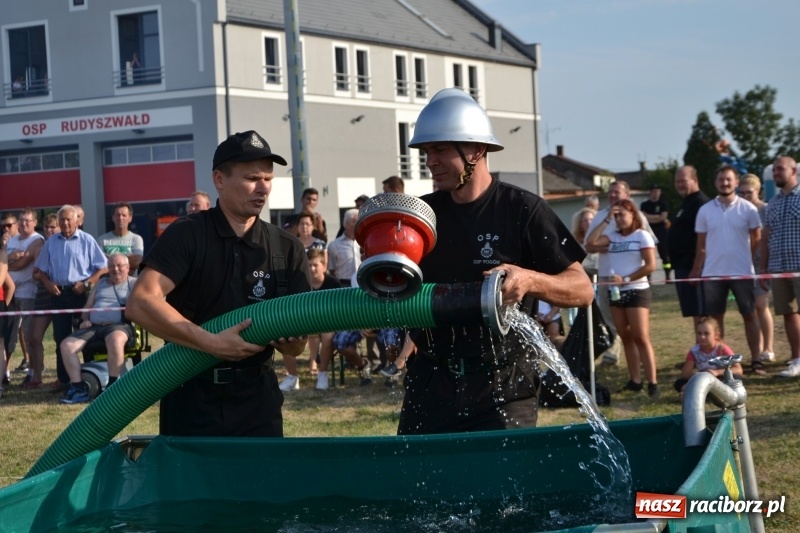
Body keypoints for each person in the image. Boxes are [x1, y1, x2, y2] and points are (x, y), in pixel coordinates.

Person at [398, 88, 593, 435]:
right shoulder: (421, 215)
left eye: (440, 149)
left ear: (475, 149)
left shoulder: (522, 210)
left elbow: (582, 289)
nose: (430, 161)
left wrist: (530, 280)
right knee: (418, 483)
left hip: (504, 385)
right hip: (431, 379)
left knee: (501, 486)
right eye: (427, 151)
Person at [126, 130, 312, 437]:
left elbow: (300, 342)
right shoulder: (187, 235)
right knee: (192, 486)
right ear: (219, 180)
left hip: (258, 401)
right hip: (192, 395)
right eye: (252, 178)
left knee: (258, 485)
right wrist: (211, 343)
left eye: (268, 178)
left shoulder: (286, 247)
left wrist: (293, 342)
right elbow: (141, 302)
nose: (263, 188)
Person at [691, 165, 762, 375]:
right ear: (715, 183)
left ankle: (757, 359)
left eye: (729, 179)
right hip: (713, 273)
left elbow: (756, 239)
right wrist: (696, 269)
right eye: (721, 179)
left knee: (749, 315)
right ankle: (718, 363)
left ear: (736, 182)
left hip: (742, 272)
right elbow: (701, 244)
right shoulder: (705, 210)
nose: (725, 183)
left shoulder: (748, 209)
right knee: (715, 319)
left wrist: (744, 258)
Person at [587, 199, 658, 397]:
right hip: (616, 292)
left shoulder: (642, 236)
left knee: (641, 337)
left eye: (621, 215)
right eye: (615, 215)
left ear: (633, 215)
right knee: (625, 336)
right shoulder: (612, 237)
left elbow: (650, 265)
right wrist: (606, 220)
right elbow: (590, 244)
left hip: (636, 290)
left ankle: (652, 382)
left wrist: (626, 279)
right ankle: (635, 380)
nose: (618, 219)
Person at [33, 205, 108, 391]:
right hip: (59, 294)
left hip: (82, 294)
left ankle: (92, 377)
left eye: (68, 219)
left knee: (88, 336)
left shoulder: (87, 240)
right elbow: (40, 270)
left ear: (77, 221)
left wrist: (88, 283)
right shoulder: (51, 242)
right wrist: (48, 283)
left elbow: (104, 267)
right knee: (61, 338)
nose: (65, 223)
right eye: (62, 219)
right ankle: (65, 380)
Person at [59, 254, 137, 404]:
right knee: (66, 345)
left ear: (128, 268)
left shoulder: (133, 283)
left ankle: (113, 386)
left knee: (115, 340)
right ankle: (78, 388)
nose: (115, 269)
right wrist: (85, 319)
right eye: (112, 266)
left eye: (119, 265)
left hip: (118, 326)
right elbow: (88, 306)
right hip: (93, 327)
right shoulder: (101, 283)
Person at [760, 156, 800, 377]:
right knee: (788, 313)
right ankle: (797, 359)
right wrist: (764, 269)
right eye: (774, 169)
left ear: (793, 171)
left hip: (799, 265)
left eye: (780, 169)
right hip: (779, 267)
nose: (776, 173)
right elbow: (766, 237)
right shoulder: (772, 203)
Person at [739, 174, 775, 364]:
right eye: (742, 192)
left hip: (762, 263)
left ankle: (768, 347)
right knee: (750, 309)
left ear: (758, 190)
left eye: (749, 192)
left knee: (762, 305)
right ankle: (758, 348)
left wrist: (765, 265)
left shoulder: (765, 209)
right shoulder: (740, 210)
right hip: (744, 264)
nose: (745, 196)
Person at [5, 209, 44, 378]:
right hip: (9, 293)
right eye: (21, 220)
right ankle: (4, 373)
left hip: (28, 293)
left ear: (35, 222)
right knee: (7, 335)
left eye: (28, 220)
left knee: (29, 335)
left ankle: (33, 372)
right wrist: (10, 257)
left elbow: (22, 264)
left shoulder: (37, 240)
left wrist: (7, 264)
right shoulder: (12, 241)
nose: (24, 223)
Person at [667, 166, 709, 325]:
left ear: (695, 180)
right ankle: (701, 348)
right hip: (683, 267)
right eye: (677, 181)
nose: (679, 185)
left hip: (695, 269)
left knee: (703, 316)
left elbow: (702, 239)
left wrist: (696, 269)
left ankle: (708, 349)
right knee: (695, 314)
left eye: (683, 181)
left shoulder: (700, 203)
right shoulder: (686, 202)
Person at [25, 214, 60, 390]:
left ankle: (63, 376)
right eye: (46, 227)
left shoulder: (64, 244)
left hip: (62, 293)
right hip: (43, 295)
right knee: (34, 337)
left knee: (61, 337)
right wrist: (47, 277)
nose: (49, 230)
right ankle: (37, 376)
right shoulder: (41, 246)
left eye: (53, 227)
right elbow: (35, 274)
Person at [673, 317, 743, 398]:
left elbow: (738, 370)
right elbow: (685, 374)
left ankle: (695, 393)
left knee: (735, 378)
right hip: (702, 380)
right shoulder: (694, 351)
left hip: (720, 379)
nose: (702, 337)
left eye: (706, 333)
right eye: (699, 333)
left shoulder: (722, 348)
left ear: (716, 335)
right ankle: (704, 393)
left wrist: (717, 372)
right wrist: (700, 375)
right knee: (679, 383)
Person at [305, 248, 342, 391]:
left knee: (327, 337)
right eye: (309, 265)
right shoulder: (302, 283)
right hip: (309, 321)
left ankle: (323, 373)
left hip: (330, 322)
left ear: (324, 266)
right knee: (288, 334)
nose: (312, 269)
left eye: (315, 265)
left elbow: (339, 309)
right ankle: (293, 375)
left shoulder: (334, 283)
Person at [96, 202, 144, 273]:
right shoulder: (102, 240)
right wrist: (127, 260)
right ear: (113, 217)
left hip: (130, 282)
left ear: (130, 218)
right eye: (118, 215)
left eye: (124, 215)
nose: (120, 218)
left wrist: (109, 258)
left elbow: (137, 262)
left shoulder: (136, 239)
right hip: (107, 282)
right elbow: (100, 263)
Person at [640, 184, 671, 280]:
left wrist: (651, 217)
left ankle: (667, 276)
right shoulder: (645, 205)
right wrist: (656, 217)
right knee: (648, 254)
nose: (656, 193)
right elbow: (643, 217)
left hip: (661, 231)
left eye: (658, 191)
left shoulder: (663, 204)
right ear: (650, 192)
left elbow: (663, 217)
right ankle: (648, 277)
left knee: (665, 255)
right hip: (648, 231)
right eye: (654, 191)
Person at [326, 208, 360, 287]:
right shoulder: (334, 245)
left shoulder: (366, 243)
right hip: (343, 284)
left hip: (363, 284)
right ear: (347, 225)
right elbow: (331, 270)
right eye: (356, 223)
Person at [0, 248, 15, 397]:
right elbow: (11, 284)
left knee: (0, 347)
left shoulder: (2, 255)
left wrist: (4, 306)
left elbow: (6, 284)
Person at [571, 206, 598, 278]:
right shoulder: (576, 242)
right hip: (584, 275)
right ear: (580, 224)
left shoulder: (602, 238)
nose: (589, 223)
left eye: (591, 219)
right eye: (585, 220)